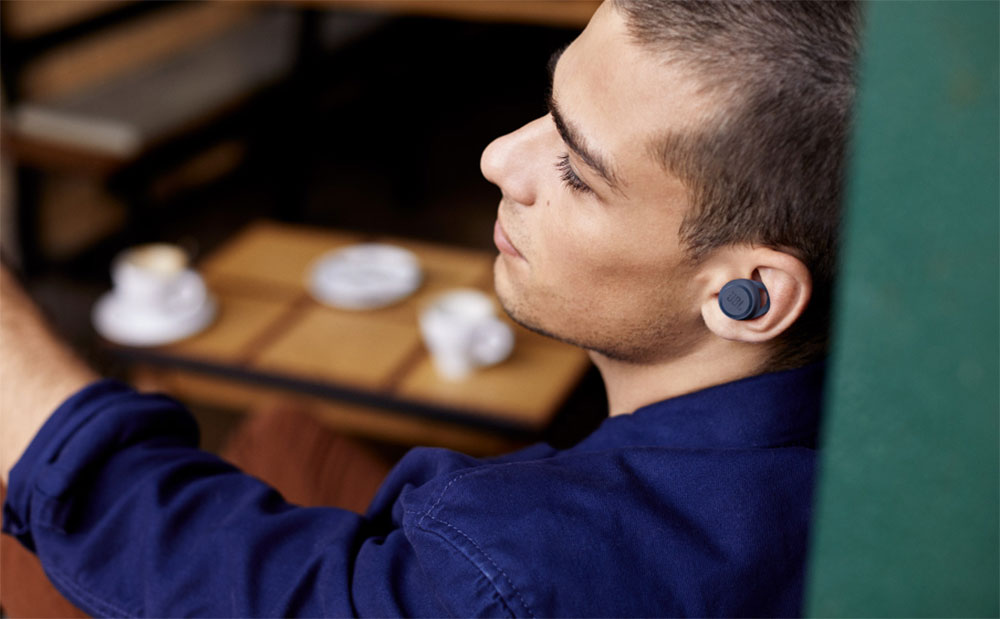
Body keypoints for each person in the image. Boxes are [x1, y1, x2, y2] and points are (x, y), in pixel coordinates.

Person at [1, 0, 859, 616]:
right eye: (547, 109)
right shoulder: (864, 435)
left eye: (577, 170)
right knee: (284, 432)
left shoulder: (525, 565)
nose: (497, 157)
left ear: (748, 296)